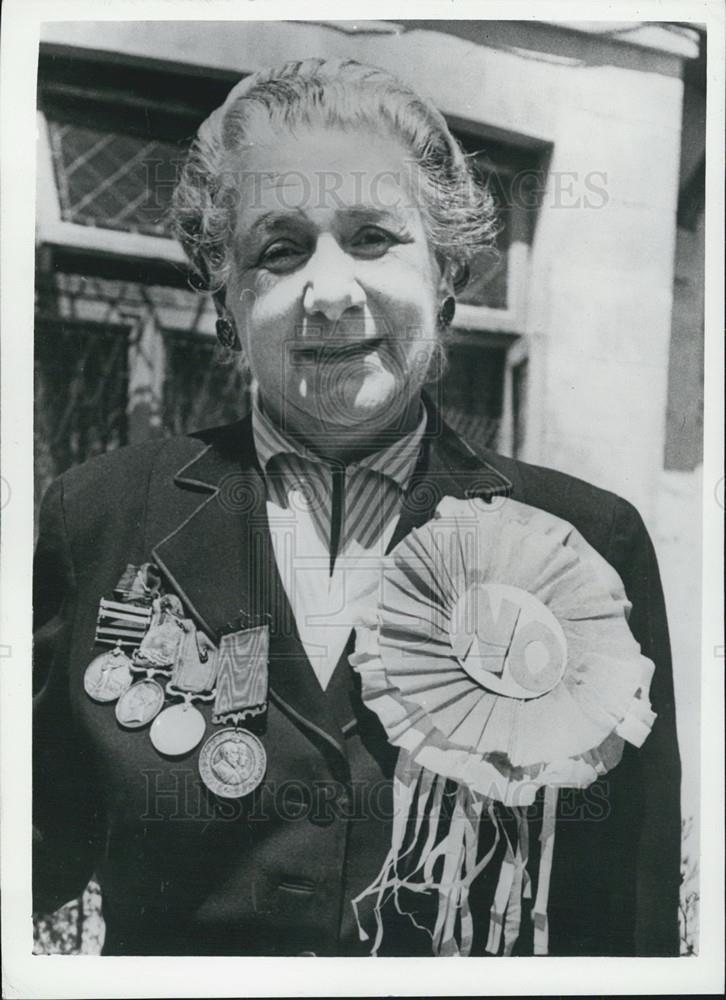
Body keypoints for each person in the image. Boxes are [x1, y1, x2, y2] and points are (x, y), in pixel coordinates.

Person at [33, 57, 681, 957]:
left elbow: (627, 924)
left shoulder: (587, 542)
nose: (330, 291)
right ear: (226, 297)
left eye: (373, 235)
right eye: (279, 248)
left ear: (448, 271)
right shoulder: (99, 516)